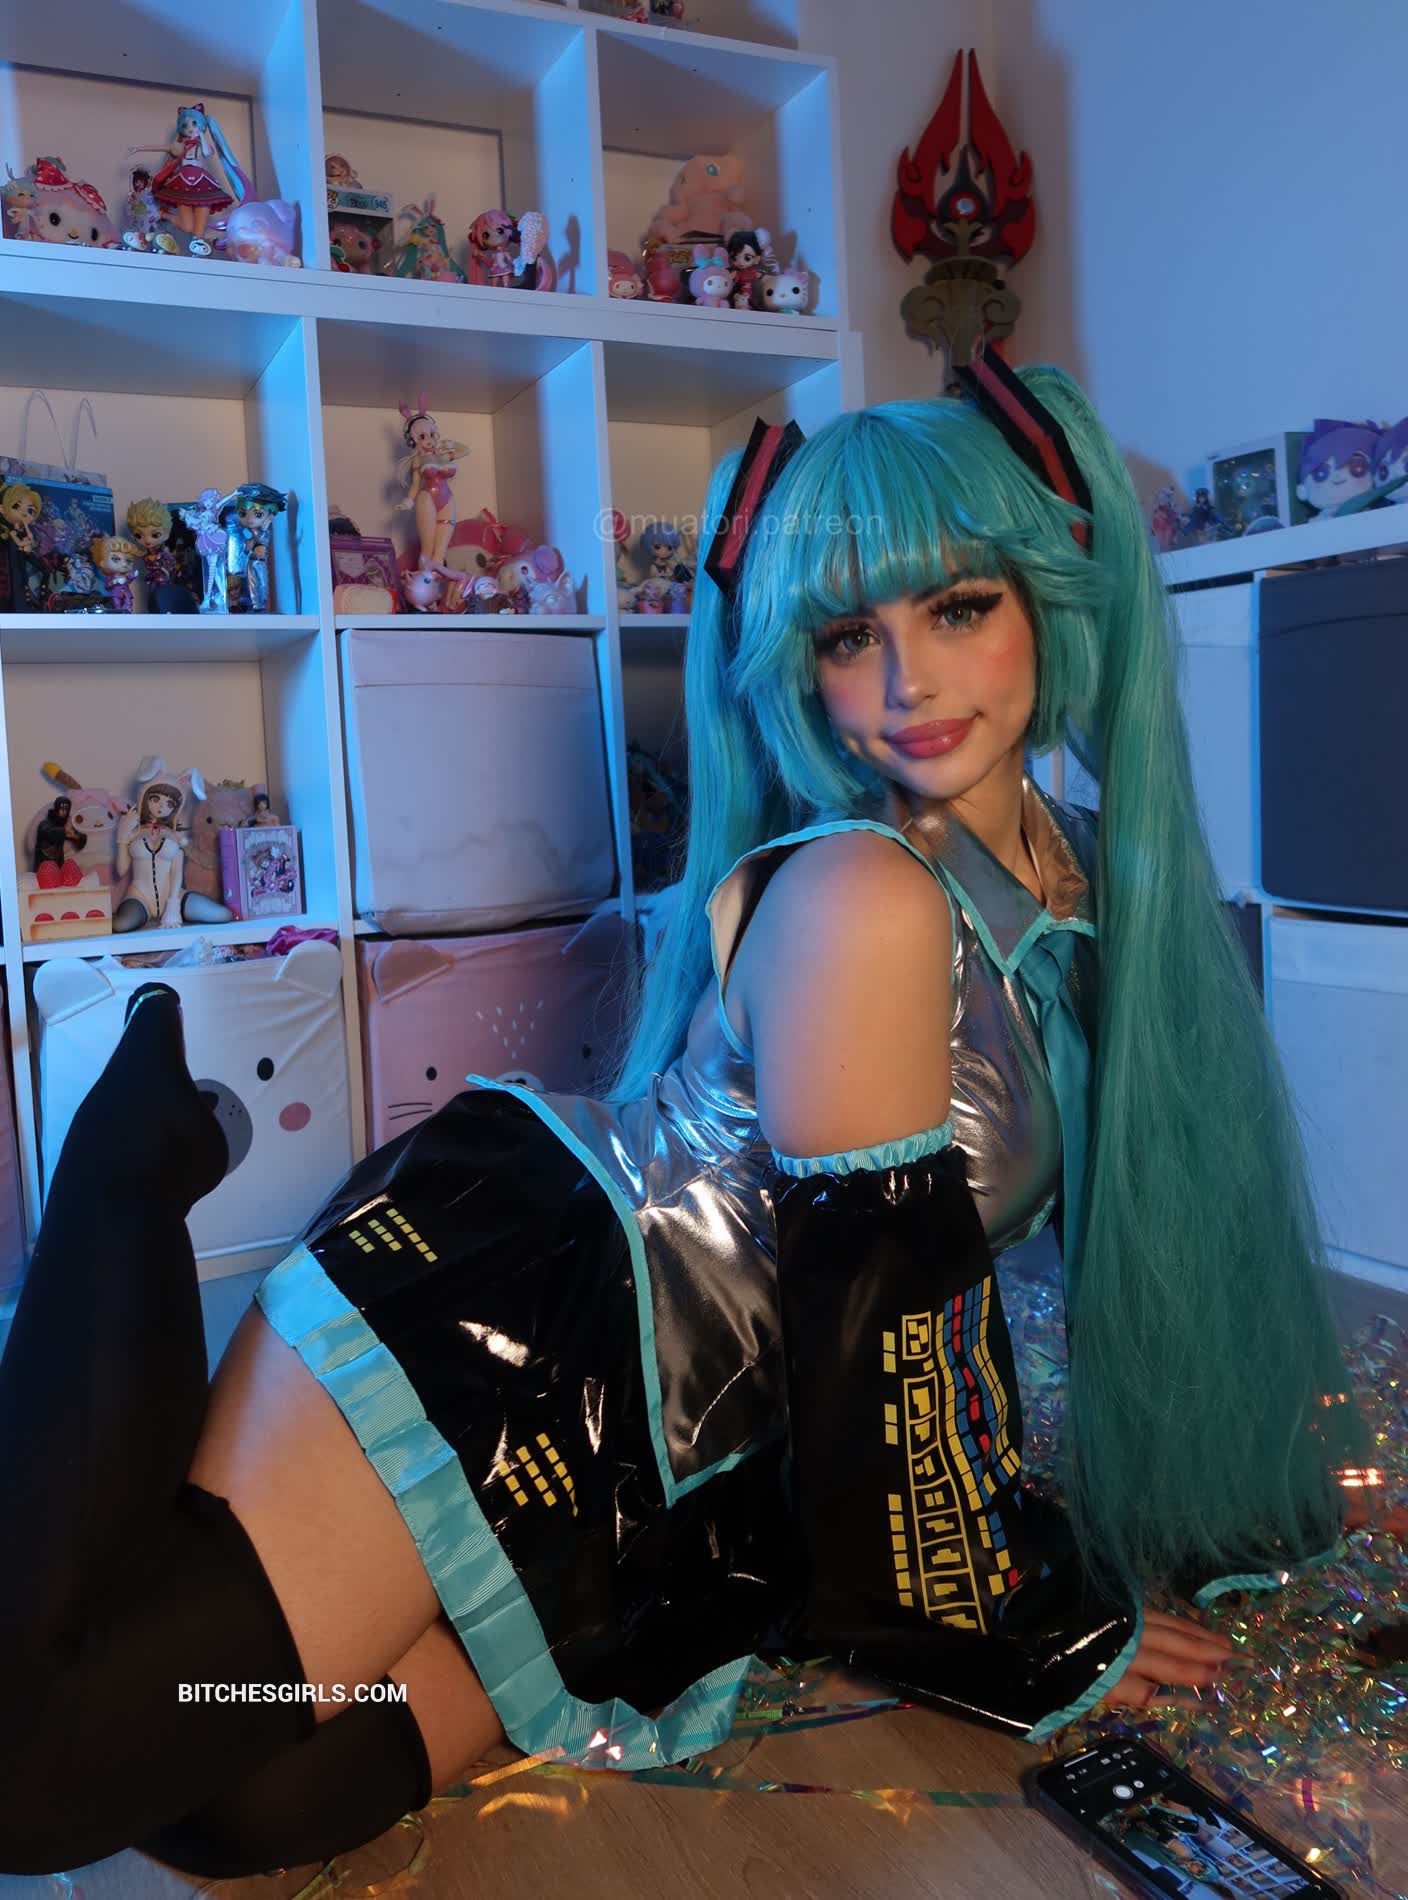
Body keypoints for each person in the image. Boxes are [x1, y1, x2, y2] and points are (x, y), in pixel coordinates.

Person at [0, 359, 1364, 1881]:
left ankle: (380, 1608)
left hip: (685, 1457)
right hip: (515, 1330)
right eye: (849, 636)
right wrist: (1023, 1610)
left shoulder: (1085, 882)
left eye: (957, 608)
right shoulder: (861, 893)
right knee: (45, 1763)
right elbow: (885, 1325)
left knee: (238, 1800)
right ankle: (120, 1183)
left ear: (1049, 602)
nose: (907, 683)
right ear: (799, 668)